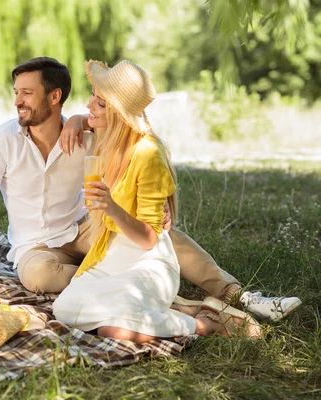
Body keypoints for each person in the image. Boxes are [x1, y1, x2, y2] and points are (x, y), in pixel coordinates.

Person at [0, 57, 300, 322]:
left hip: (84, 229)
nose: (18, 101)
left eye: (27, 93)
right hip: (34, 244)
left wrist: (81, 122)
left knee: (164, 236)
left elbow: (131, 133)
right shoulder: (1, 142)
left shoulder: (89, 134)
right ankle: (172, 300)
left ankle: (239, 295)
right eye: (16, 92)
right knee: (39, 277)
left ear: (55, 97)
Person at [52, 59, 261, 342]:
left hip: (147, 260)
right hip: (110, 256)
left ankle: (205, 324)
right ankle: (176, 311)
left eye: (100, 103)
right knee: (64, 309)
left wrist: (111, 207)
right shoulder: (108, 137)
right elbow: (86, 119)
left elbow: (149, 239)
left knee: (114, 330)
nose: (90, 104)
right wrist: (76, 120)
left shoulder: (148, 153)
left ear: (118, 114)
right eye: (93, 95)